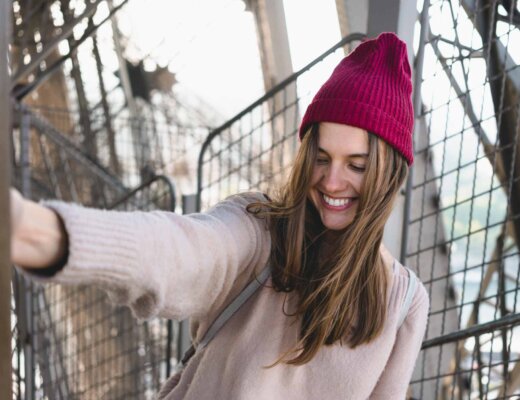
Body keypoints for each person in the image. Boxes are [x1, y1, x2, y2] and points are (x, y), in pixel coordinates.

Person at [10, 32, 429, 399]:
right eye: (321, 158)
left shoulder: (406, 305)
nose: (332, 181)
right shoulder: (259, 230)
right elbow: (183, 249)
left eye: (356, 165)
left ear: (387, 175)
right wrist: (39, 231)